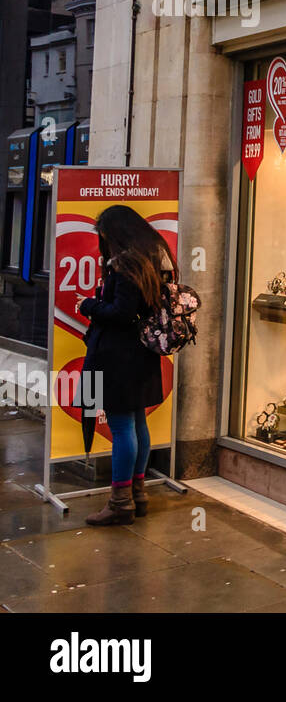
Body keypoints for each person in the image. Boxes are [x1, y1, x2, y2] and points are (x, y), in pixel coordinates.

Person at [77, 205, 175, 526]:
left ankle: (120, 502)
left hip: (119, 356)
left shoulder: (125, 265)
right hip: (142, 354)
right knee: (137, 424)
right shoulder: (155, 258)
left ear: (116, 234)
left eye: (104, 236)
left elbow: (120, 313)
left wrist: (88, 305)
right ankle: (138, 494)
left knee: (122, 428)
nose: (103, 243)